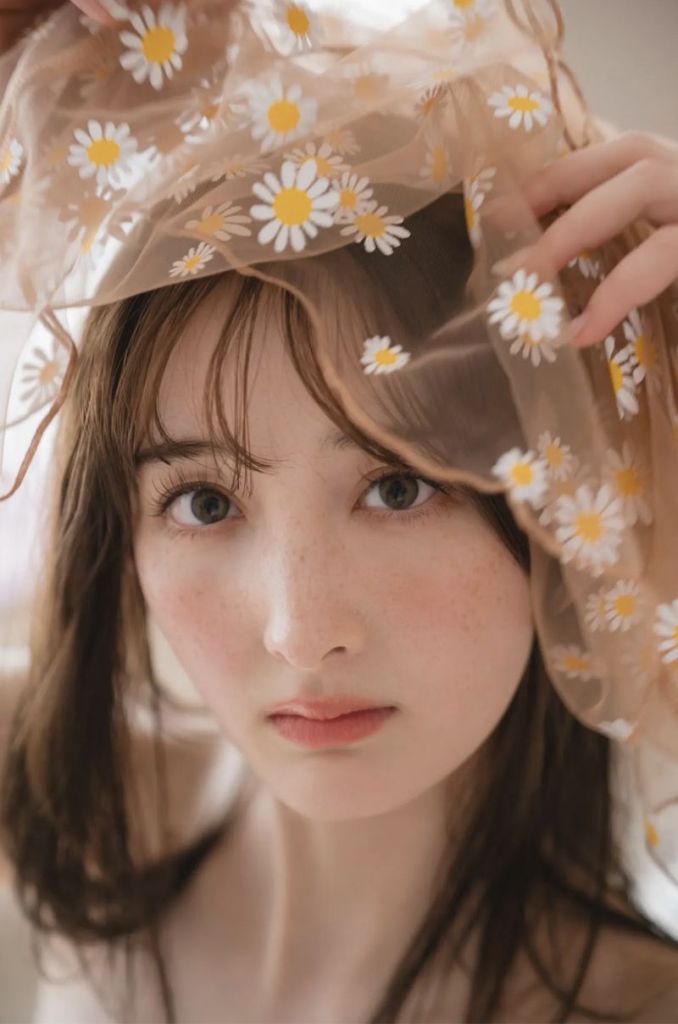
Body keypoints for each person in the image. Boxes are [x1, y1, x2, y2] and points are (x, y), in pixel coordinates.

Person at [1, 2, 678, 1022]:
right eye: (205, 499)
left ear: (562, 489)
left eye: (399, 485)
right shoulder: (68, 802)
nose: (300, 630)